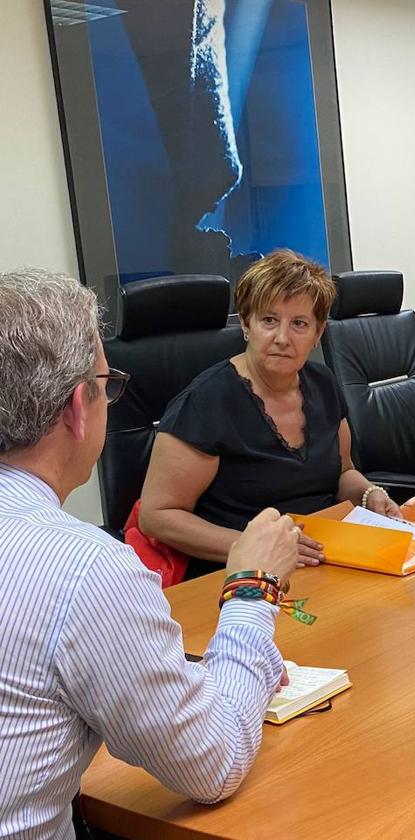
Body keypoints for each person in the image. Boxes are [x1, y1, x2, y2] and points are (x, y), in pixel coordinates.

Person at [0, 268, 301, 839]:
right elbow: (213, 761)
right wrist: (252, 587)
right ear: (76, 407)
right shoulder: (82, 570)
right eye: (106, 383)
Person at [138, 249, 401, 573]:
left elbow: (342, 473)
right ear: (246, 324)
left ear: (318, 334)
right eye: (269, 320)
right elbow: (157, 516)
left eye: (299, 324)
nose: (282, 338)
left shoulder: (323, 383)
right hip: (240, 576)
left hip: (326, 559)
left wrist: (369, 494)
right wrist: (253, 548)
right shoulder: (205, 403)